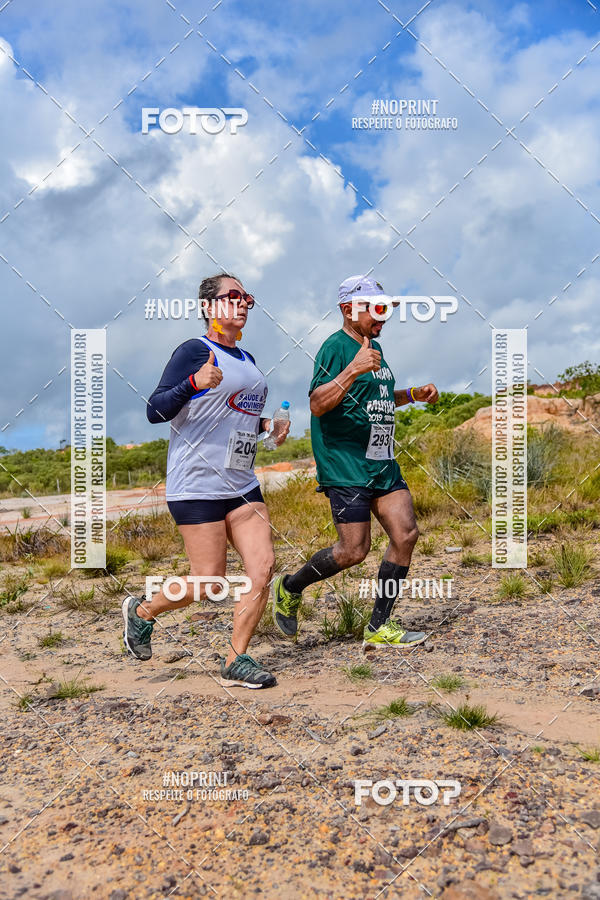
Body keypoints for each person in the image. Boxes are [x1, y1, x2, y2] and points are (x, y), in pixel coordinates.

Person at [122, 272, 289, 688]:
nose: (243, 303)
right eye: (232, 295)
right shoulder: (195, 350)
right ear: (208, 306)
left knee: (263, 567)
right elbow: (155, 410)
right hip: (195, 484)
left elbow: (236, 416)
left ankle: (236, 659)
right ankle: (142, 612)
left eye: (247, 297)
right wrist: (193, 382)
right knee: (210, 581)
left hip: (241, 483)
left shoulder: (247, 361)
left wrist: (268, 426)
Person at [272, 274, 439, 649]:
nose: (383, 318)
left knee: (406, 534)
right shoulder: (336, 347)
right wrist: (353, 368)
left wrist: (412, 393)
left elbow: (373, 396)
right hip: (345, 464)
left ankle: (379, 627)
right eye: (376, 309)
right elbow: (317, 403)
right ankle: (289, 586)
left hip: (381, 462)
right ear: (349, 309)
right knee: (353, 551)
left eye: (387, 310)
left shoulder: (372, 349)